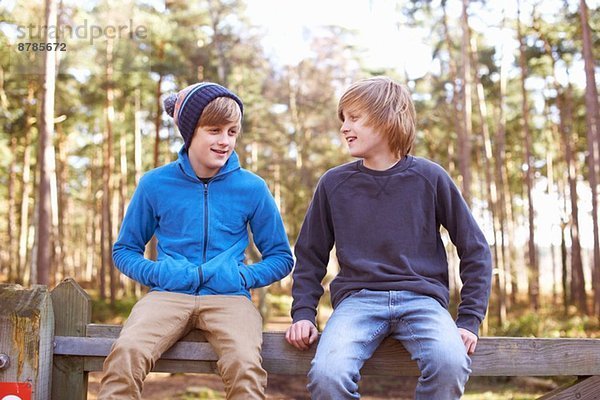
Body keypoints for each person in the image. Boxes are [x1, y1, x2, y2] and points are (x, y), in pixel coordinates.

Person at [285, 76, 492, 400]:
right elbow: (310, 255)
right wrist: (303, 313)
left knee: (450, 363)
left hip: (423, 301)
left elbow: (475, 249)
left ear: (387, 118)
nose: (344, 127)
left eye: (354, 118)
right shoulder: (334, 184)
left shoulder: (430, 177)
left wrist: (469, 319)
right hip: (357, 302)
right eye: (343, 119)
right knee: (327, 375)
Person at [99, 82, 294, 400]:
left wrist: (240, 276)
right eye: (214, 130)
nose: (225, 141)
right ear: (190, 132)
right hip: (167, 295)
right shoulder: (155, 184)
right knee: (127, 354)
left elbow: (281, 257)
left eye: (232, 131)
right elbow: (124, 250)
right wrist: (160, 274)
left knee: (246, 366)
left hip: (230, 299)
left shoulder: (252, 188)